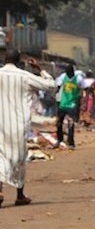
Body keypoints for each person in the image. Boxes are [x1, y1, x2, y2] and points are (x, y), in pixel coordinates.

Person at [0, 49, 55, 207]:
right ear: (18, 62)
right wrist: (40, 69)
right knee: (19, 158)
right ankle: (20, 195)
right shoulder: (25, 76)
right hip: (17, 124)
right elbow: (51, 85)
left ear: (5, 60)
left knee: (1, 156)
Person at [55, 64, 86, 149]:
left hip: (72, 104)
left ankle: (71, 143)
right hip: (63, 104)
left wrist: (83, 101)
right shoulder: (63, 77)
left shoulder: (79, 79)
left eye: (70, 74)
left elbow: (84, 88)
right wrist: (55, 91)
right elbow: (58, 86)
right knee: (58, 123)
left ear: (73, 72)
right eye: (67, 74)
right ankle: (59, 140)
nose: (69, 76)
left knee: (71, 124)